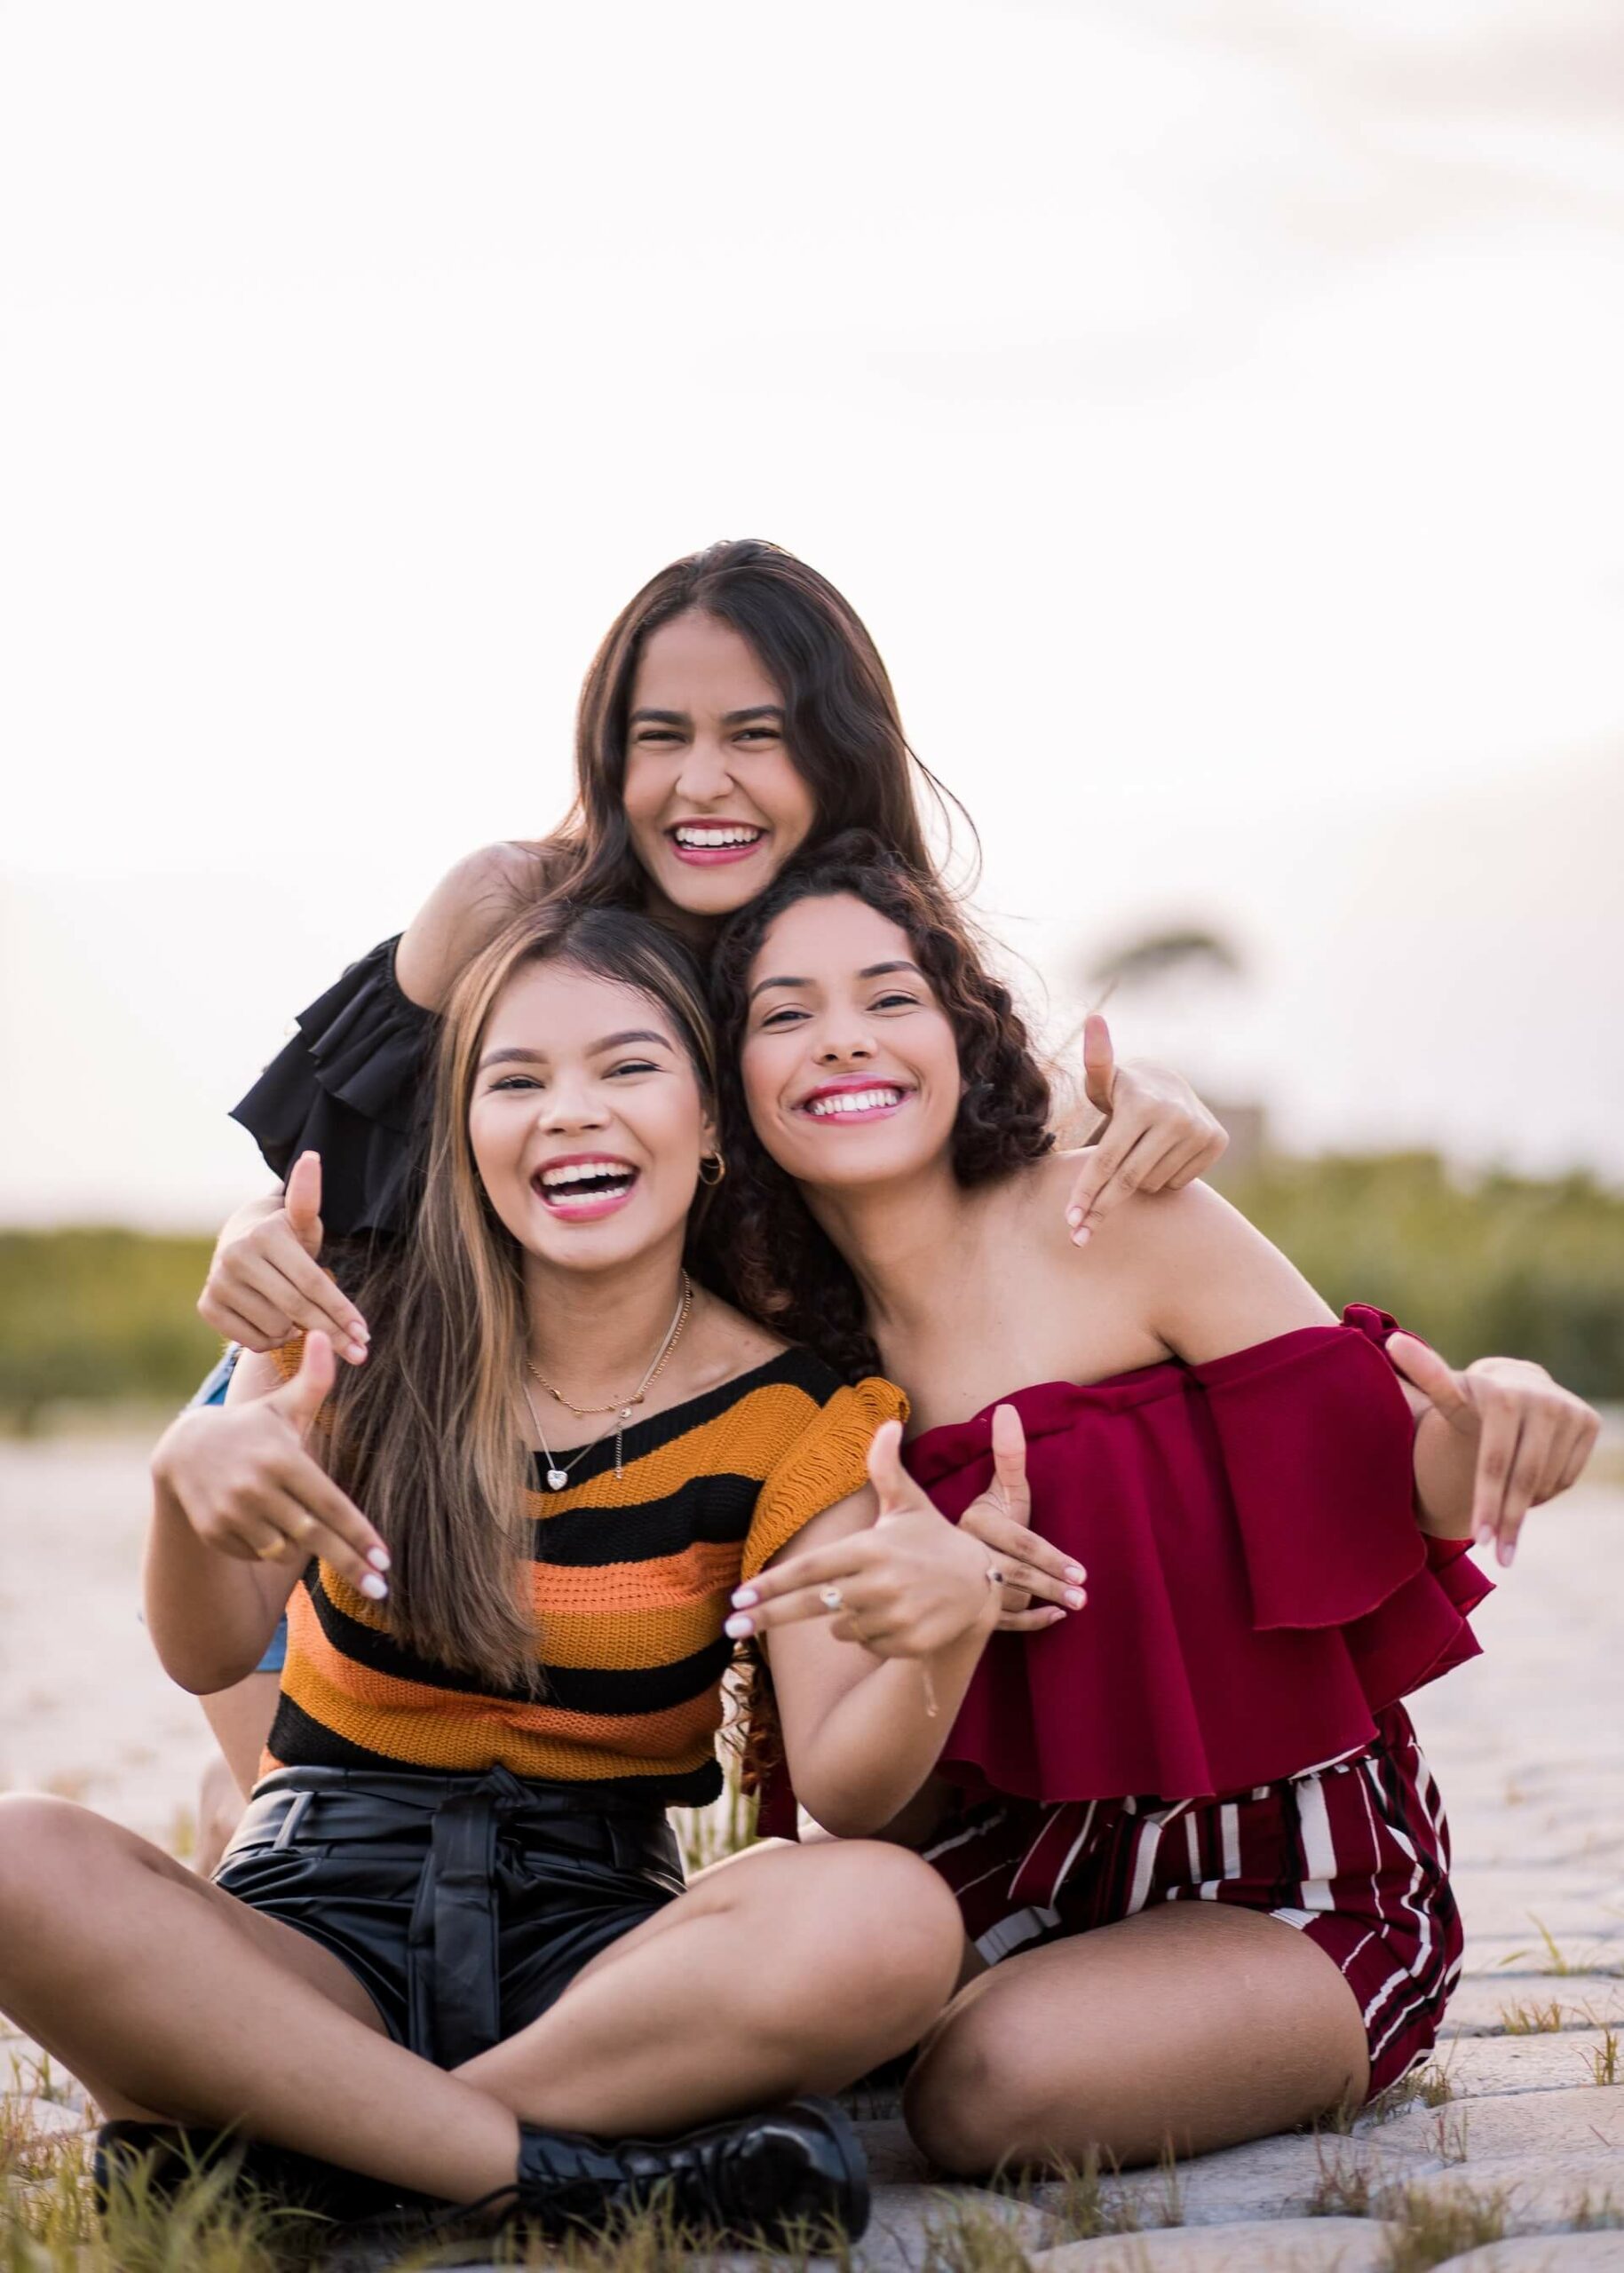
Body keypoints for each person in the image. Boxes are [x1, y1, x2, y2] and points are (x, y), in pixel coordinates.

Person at [0, 904, 1025, 2246]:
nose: (571, 1113)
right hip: (316, 1921)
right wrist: (183, 1486)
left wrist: (938, 1638)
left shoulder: (798, 1419)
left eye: (626, 1068)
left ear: (713, 1122)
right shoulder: (349, 1325)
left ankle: (331, 2146)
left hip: (599, 1962)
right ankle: (530, 2170)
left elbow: (846, 1787)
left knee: (890, 1919)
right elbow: (206, 1652)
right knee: (19, 1852)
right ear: (463, 1134)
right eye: (517, 1081)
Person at [186, 536, 1226, 1855]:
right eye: (656, 736)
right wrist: (240, 1243)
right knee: (301, 1771)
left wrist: (1143, 1107)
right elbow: (323, 1188)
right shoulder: (513, 905)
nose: (700, 783)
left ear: (836, 751)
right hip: (423, 1406)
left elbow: (984, 1161)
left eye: (757, 735)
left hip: (717, 1427)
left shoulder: (861, 934)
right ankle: (267, 1835)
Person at [702, 833, 1600, 2175]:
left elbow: (1396, 1471)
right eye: (786, 1015)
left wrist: (1502, 1410)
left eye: (889, 998)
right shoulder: (782, 1367)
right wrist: (940, 1623)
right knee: (715, 1964)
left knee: (989, 2091)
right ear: (730, 1087)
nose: (843, 1040)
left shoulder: (1114, 1215)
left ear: (961, 1035)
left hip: (1294, 1883)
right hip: (1012, 1876)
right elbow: (866, 1812)